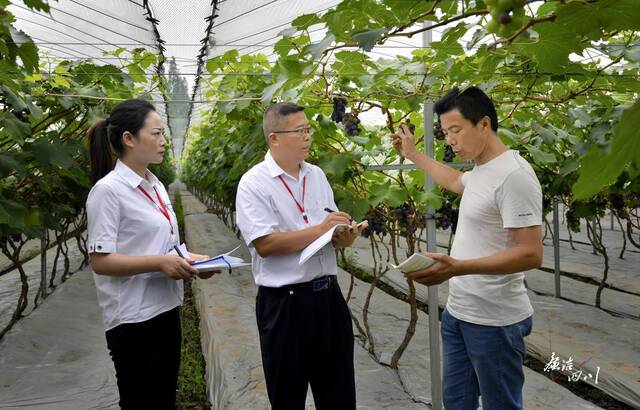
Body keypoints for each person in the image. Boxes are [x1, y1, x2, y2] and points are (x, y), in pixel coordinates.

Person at [392, 86, 543, 410]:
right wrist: (413, 155)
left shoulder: (514, 176)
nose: (450, 140)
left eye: (456, 130)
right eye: (446, 132)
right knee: (457, 403)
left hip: (495, 321)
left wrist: (458, 267)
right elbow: (456, 182)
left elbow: (531, 253)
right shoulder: (482, 171)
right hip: (460, 313)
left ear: (484, 124)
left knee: (500, 405)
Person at [235, 102, 367, 410]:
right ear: (274, 138)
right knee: (288, 397)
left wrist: (341, 237)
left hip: (327, 300)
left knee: (339, 395)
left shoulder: (317, 175)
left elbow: (328, 236)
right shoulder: (253, 183)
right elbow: (264, 244)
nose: (308, 136)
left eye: (308, 129)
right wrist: (322, 228)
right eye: (299, 131)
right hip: (285, 306)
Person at [86, 98, 216, 409]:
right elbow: (100, 261)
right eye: (156, 134)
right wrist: (160, 263)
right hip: (133, 319)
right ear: (129, 139)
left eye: (163, 134)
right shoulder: (108, 191)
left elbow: (164, 245)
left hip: (166, 309)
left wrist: (193, 259)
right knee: (141, 401)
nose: (163, 141)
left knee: (163, 399)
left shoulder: (154, 184)